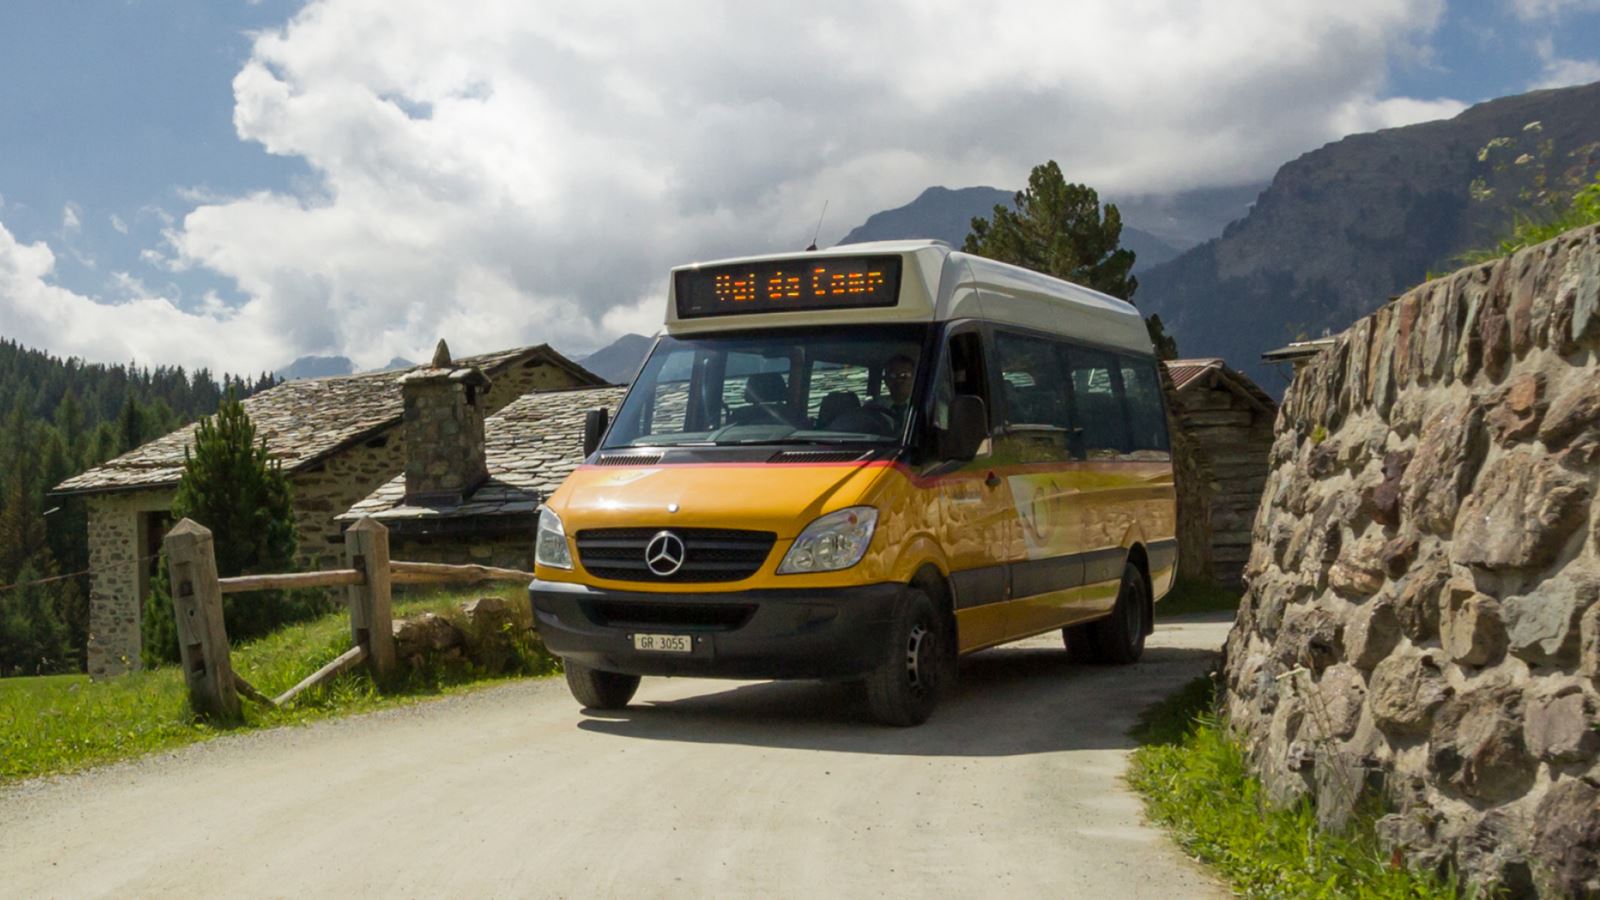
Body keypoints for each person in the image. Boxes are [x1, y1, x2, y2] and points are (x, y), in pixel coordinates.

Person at [865, 354, 917, 431]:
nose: (898, 380)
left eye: (904, 375)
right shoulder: (873, 407)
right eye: (893, 375)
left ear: (914, 379)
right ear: (886, 380)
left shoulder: (923, 407)